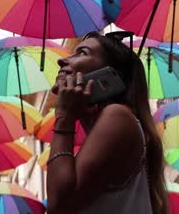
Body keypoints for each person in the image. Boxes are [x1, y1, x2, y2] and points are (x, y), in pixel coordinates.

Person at [46, 31, 168, 213]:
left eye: (82, 53)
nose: (62, 61)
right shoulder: (117, 119)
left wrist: (64, 116)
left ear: (109, 75)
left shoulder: (117, 115)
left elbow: (59, 204)